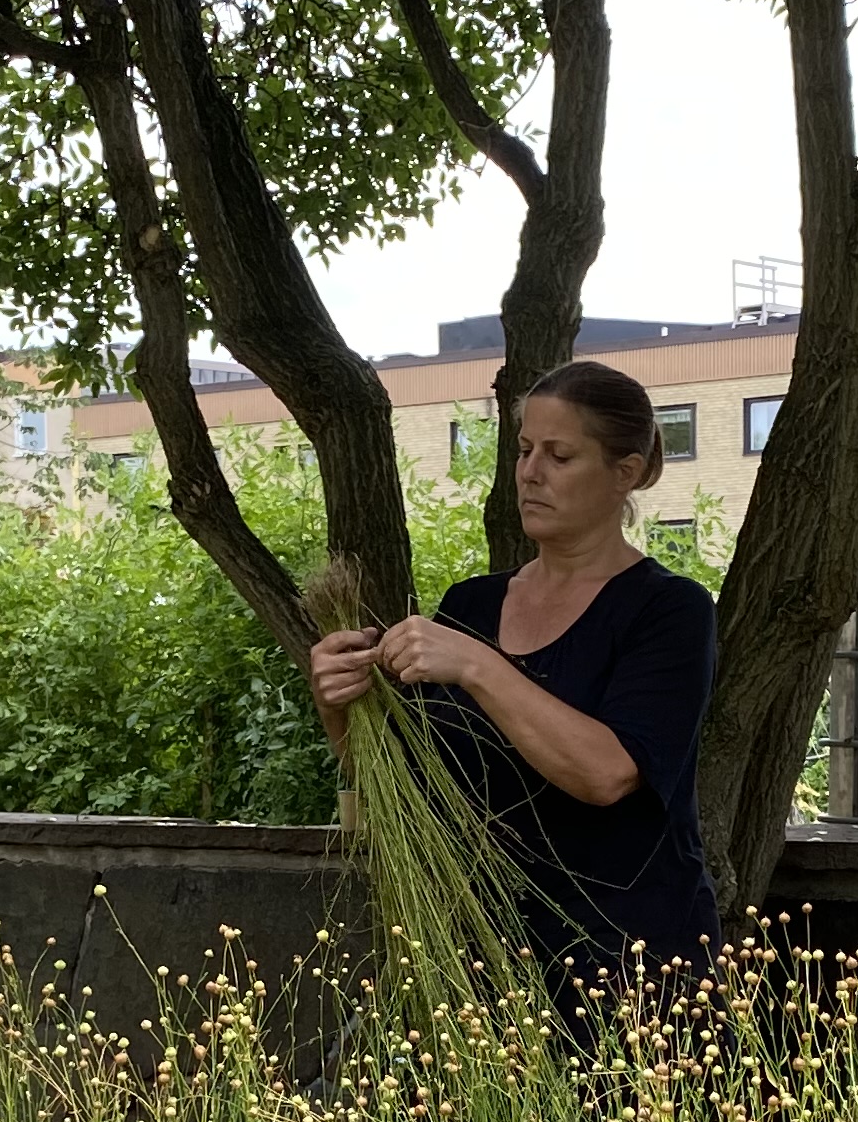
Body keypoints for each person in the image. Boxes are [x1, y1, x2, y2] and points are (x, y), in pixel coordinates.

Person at [307, 357, 723, 992]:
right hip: (480, 959)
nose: (530, 472)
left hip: (630, 964)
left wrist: (478, 665)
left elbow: (607, 773)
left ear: (626, 472)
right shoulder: (470, 605)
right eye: (525, 450)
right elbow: (407, 785)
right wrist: (339, 703)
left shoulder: (669, 611)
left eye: (560, 455)